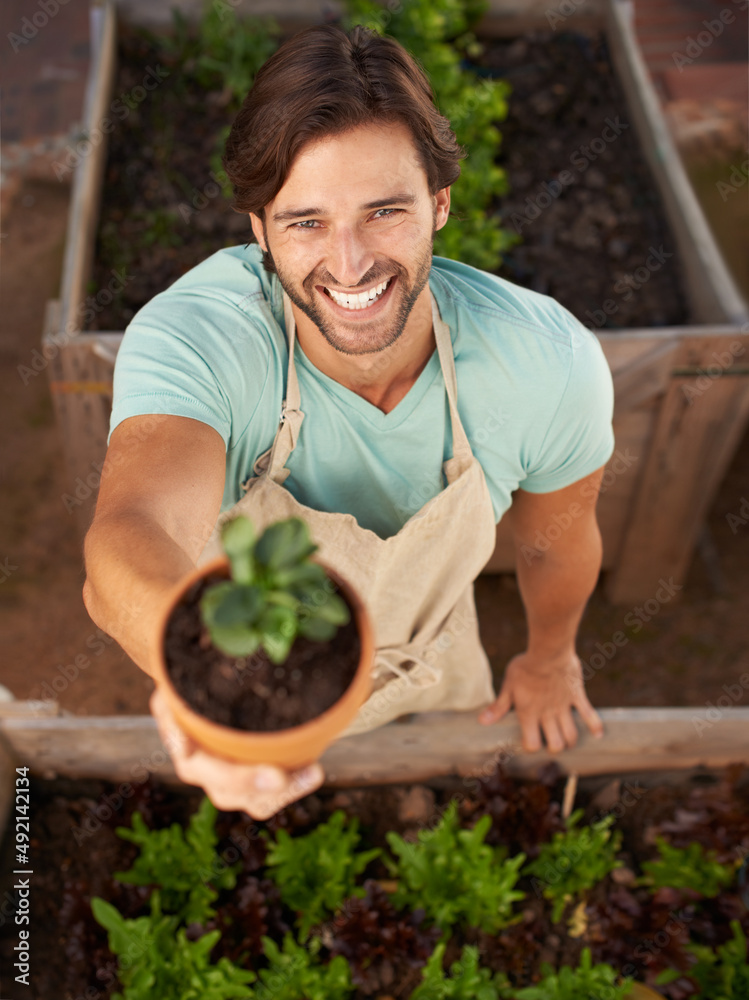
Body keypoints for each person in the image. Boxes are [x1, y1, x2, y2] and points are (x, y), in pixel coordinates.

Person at [83, 24, 614, 820]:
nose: (352, 262)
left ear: (438, 205)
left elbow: (556, 538)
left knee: (428, 804)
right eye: (305, 223)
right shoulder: (198, 341)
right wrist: (196, 691)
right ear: (257, 230)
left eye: (383, 212)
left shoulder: (543, 363)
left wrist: (548, 661)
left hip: (430, 662)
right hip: (251, 682)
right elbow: (128, 535)